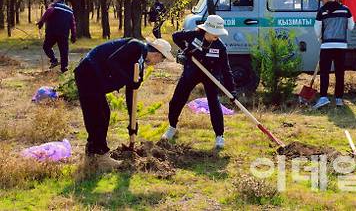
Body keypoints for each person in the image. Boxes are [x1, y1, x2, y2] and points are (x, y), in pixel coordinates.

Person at [74, 37, 174, 170]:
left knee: (102, 114)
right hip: (88, 72)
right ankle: (100, 157)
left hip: (94, 79)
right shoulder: (136, 46)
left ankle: (92, 155)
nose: (157, 63)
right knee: (98, 115)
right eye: (161, 60)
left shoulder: (139, 64)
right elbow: (112, 61)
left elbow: (131, 92)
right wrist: (129, 80)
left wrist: (132, 121)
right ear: (156, 54)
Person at [163, 15, 236, 149]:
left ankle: (219, 136)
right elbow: (175, 36)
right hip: (192, 71)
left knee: (214, 103)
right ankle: (172, 127)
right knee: (177, 100)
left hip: (211, 76)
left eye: (219, 33)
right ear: (207, 30)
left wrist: (232, 91)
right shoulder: (194, 35)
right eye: (215, 32)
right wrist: (186, 50)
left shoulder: (220, 47)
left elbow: (227, 70)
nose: (217, 36)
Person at [313, 0, 355, 109]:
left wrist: (321, 39)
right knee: (339, 73)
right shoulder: (346, 10)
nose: (321, 2)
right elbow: (351, 27)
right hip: (341, 46)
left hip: (326, 46)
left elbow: (317, 29)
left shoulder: (322, 11)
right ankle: (339, 99)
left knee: (325, 72)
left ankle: (323, 97)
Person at [37, 0, 77, 72]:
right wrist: (73, 35)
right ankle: (64, 68)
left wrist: (41, 22)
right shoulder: (70, 10)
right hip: (64, 33)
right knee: (64, 51)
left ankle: (54, 60)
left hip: (52, 32)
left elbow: (48, 12)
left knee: (46, 46)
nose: (52, 0)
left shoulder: (54, 5)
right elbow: (73, 24)